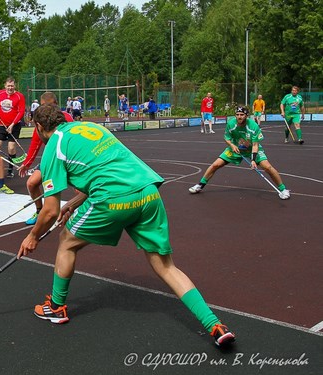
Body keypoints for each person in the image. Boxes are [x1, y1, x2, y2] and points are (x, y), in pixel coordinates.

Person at [18, 104, 236, 348]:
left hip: (114, 198)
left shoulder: (53, 147)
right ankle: (214, 325)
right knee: (166, 267)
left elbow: (49, 211)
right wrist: (76, 201)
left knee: (67, 243)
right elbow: (108, 166)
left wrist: (33, 236)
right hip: (148, 191)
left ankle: (56, 308)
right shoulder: (90, 126)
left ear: (38, 127)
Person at [189, 106, 290, 200]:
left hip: (252, 150)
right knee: (215, 165)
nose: (239, 117)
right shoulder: (231, 124)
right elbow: (226, 138)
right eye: (237, 114)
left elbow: (255, 145)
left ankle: (283, 189)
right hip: (235, 148)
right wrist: (232, 145)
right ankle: (200, 185)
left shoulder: (253, 126)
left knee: (267, 167)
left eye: (241, 115)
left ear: (246, 115)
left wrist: (253, 160)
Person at [18, 92, 73, 225]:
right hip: (51, 159)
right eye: (44, 106)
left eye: (50, 105)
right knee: (31, 183)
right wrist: (26, 164)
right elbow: (35, 144)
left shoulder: (67, 118)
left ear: (56, 105)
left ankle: (78, 213)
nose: (47, 108)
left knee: (80, 188)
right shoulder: (40, 120)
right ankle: (39, 211)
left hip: (69, 159)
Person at [0, 77, 26, 179]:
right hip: (0, 124)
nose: (10, 88)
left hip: (14, 126)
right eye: (8, 86)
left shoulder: (19, 96)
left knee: (11, 148)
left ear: (14, 86)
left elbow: (21, 111)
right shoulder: (0, 94)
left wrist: (12, 124)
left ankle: (10, 169)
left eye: (12, 86)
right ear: (5, 86)